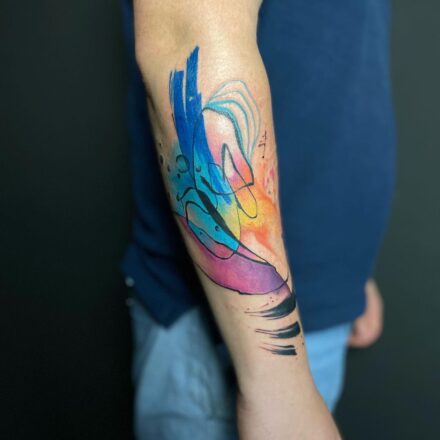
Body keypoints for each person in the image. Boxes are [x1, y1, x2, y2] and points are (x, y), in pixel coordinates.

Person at [121, 0, 395, 438]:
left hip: (318, 299)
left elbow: (329, 56)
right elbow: (187, 38)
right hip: (244, 339)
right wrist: (277, 388)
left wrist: (348, 270)